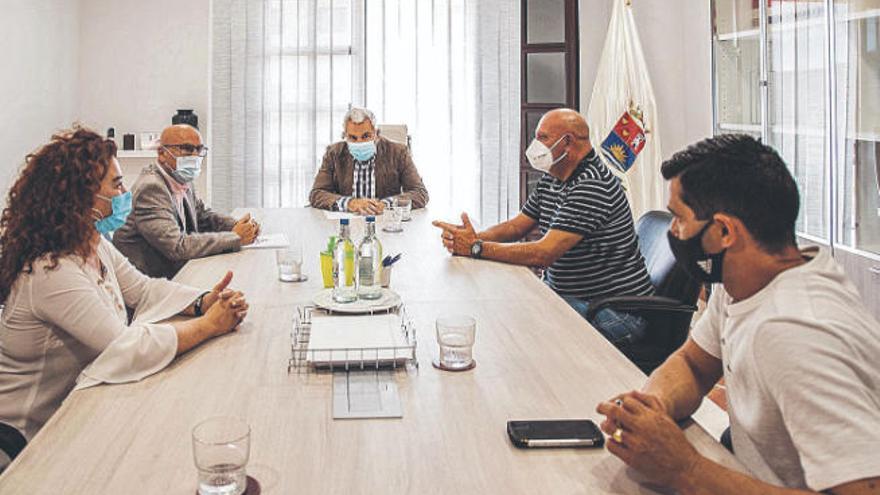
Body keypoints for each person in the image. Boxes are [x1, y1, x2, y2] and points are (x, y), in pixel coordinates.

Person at [596, 135, 880, 494]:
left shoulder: (796, 332)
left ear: (725, 231)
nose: (672, 232)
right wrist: (653, 406)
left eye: (679, 218)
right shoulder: (743, 281)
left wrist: (687, 469)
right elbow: (694, 364)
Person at [0, 127, 249, 453]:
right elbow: (124, 345)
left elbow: (143, 290)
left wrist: (202, 301)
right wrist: (208, 325)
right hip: (26, 434)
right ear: (82, 195)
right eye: (116, 185)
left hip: (76, 407)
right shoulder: (51, 269)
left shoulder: (94, 243)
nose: (125, 193)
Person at [432, 108, 654, 349]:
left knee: (521, 331)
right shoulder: (554, 177)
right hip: (576, 297)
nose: (535, 145)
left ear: (567, 142)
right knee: (509, 313)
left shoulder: (592, 184)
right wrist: (470, 237)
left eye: (543, 138)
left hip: (614, 312)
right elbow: (517, 226)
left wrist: (475, 247)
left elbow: (543, 253)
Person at [113, 124, 259, 279]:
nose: (195, 156)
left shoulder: (181, 178)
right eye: (187, 149)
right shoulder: (151, 187)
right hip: (148, 285)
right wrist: (235, 238)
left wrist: (236, 226)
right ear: (162, 153)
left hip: (177, 272)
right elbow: (177, 246)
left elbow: (202, 216)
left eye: (199, 149)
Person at [309, 107, 429, 214]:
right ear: (345, 136)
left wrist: (385, 204)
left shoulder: (398, 152)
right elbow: (317, 193)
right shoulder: (334, 153)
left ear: (376, 134)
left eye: (366, 136)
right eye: (353, 138)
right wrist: (350, 203)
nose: (359, 142)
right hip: (347, 222)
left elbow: (420, 193)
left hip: (383, 222)